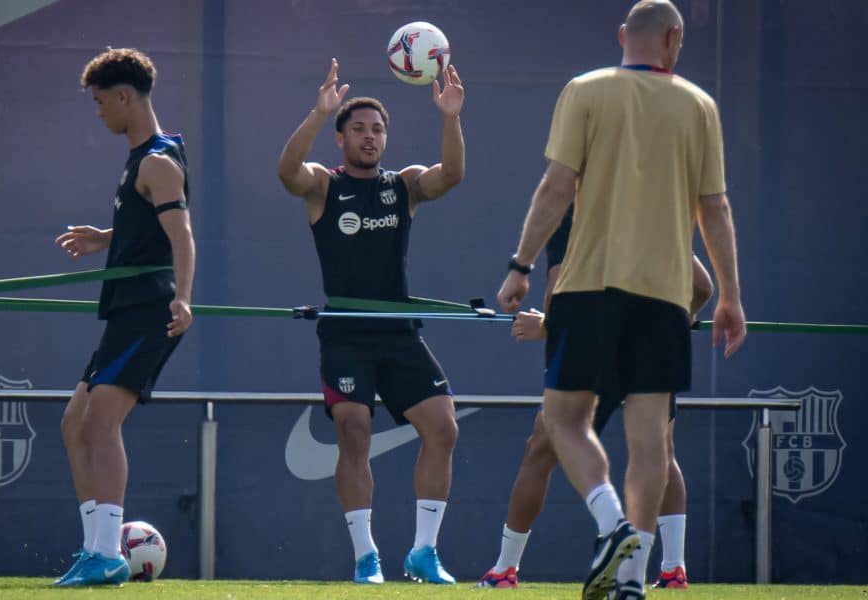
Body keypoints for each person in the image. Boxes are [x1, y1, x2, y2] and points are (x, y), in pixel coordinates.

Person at [496, 1, 746, 598]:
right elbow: (715, 208)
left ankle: (611, 526)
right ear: (674, 39)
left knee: (562, 421)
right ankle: (631, 579)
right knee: (649, 438)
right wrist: (732, 297)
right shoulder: (699, 105)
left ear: (621, 37)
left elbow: (556, 186)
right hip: (663, 297)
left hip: (588, 290)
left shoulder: (584, 90)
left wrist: (519, 266)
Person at [276, 58, 464, 585]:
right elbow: (287, 172)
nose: (369, 137)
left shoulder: (403, 185)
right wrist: (318, 113)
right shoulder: (323, 186)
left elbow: (451, 176)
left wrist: (450, 117)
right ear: (340, 139)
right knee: (353, 432)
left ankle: (424, 553)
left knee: (443, 429)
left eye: (377, 129)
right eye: (358, 128)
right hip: (346, 333)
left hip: (398, 332)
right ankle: (366, 557)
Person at [479, 204, 713, 590]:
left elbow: (557, 286)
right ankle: (671, 569)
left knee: (544, 445)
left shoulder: (569, 211)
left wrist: (545, 328)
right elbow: (702, 286)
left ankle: (507, 569)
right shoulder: (653, 206)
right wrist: (678, 319)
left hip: (592, 346)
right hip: (652, 345)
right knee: (659, 451)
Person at [51, 47, 195, 586]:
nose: (98, 113)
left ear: (123, 97)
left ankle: (108, 552)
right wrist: (107, 239)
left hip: (150, 311)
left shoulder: (157, 161)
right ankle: (95, 548)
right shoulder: (144, 161)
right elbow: (154, 225)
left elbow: (183, 235)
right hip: (125, 312)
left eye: (99, 103)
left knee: (100, 421)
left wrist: (184, 299)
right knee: (73, 424)